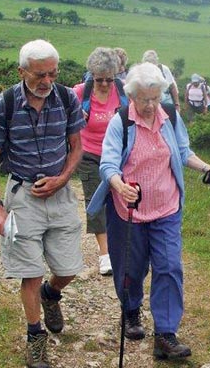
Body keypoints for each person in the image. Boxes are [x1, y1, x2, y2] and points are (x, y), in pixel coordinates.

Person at [87, 62, 210, 360]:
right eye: (145, 99)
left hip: (166, 208)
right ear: (132, 96)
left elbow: (183, 153)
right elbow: (107, 164)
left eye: (155, 98)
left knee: (169, 267)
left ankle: (165, 334)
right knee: (132, 268)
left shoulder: (171, 116)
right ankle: (130, 311)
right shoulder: (121, 122)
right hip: (129, 209)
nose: (151, 105)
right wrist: (119, 185)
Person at [0, 39, 86, 368]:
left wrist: (63, 178)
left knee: (68, 269)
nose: (47, 81)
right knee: (29, 272)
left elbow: (76, 148)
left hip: (60, 194)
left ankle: (51, 294)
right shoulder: (5, 104)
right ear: (22, 71)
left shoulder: (67, 98)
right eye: (40, 75)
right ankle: (34, 336)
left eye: (53, 73)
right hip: (23, 196)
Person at [73, 47, 128, 276]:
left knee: (118, 200)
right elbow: (61, 114)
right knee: (95, 199)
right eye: (99, 80)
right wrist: (76, 116)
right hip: (89, 154)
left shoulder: (125, 92)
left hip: (117, 156)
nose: (105, 85)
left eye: (109, 79)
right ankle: (105, 254)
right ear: (91, 75)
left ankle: (121, 247)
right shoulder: (78, 93)